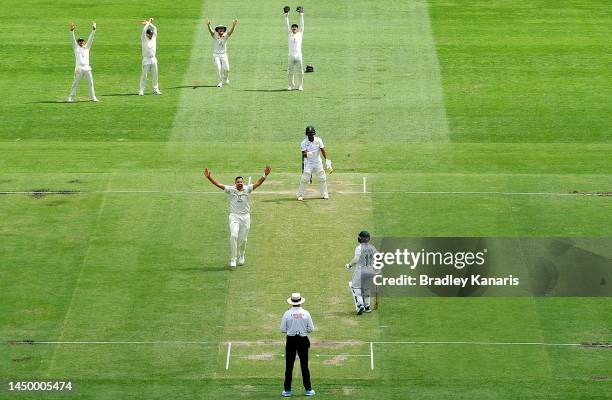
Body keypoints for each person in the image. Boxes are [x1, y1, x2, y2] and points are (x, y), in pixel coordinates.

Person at [204, 165, 271, 268]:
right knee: (234, 235)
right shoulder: (230, 189)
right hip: (234, 216)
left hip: (246, 217)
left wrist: (265, 175)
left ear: (243, 183)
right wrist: (209, 177)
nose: (240, 183)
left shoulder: (248, 189)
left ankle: (242, 254)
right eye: (238, 182)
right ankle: (233, 259)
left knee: (243, 240)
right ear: (235, 183)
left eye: (241, 182)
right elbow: (218, 184)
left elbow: (258, 183)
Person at [280, 293, 315, 397]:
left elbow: (283, 329)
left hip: (291, 340)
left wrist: (291, 329)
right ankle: (308, 389)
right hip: (303, 340)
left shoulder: (287, 313)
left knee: (289, 366)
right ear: (300, 302)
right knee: (304, 365)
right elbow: (311, 329)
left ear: (292, 302)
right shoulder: (306, 313)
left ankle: (287, 390)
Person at [345, 231, 380, 314]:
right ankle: (367, 307)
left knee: (356, 288)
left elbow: (356, 259)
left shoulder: (359, 247)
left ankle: (360, 305)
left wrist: (349, 265)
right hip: (370, 271)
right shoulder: (372, 247)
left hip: (360, 271)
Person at [297, 126, 332, 201]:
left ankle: (324, 194)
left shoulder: (319, 140)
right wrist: (309, 154)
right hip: (309, 162)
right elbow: (303, 154)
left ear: (314, 134)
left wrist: (327, 161)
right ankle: (300, 195)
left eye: (312, 134)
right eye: (309, 135)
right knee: (305, 178)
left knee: (322, 178)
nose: (310, 136)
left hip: (317, 162)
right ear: (307, 135)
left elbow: (323, 150)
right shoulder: (303, 142)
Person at [67, 21, 98, 102]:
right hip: (79, 69)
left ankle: (93, 97)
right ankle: (70, 97)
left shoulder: (87, 47)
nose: (81, 42)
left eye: (82, 41)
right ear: (78, 43)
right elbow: (72, 39)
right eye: (79, 41)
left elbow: (91, 39)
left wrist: (94, 30)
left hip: (87, 68)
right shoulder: (76, 48)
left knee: (91, 83)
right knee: (75, 83)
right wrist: (71, 31)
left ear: (84, 42)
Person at [206, 18, 238, 87]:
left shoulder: (226, 35)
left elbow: (230, 32)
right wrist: (208, 25)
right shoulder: (215, 35)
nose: (221, 29)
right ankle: (219, 82)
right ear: (217, 30)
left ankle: (225, 78)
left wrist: (234, 25)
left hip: (224, 55)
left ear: (224, 30)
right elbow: (211, 31)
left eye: (222, 28)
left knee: (227, 68)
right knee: (218, 69)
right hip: (216, 55)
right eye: (219, 28)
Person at [139, 18, 161, 96]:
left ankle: (156, 89)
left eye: (151, 34)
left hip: (153, 59)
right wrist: (148, 23)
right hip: (146, 59)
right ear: (147, 34)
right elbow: (144, 29)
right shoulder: (144, 39)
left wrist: (149, 22)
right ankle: (141, 90)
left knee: (155, 75)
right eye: (150, 34)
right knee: (144, 75)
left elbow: (155, 28)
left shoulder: (154, 38)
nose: (151, 35)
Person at [284, 8, 305, 90]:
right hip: (291, 56)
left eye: (295, 28)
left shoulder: (300, 34)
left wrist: (301, 15)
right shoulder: (289, 34)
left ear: (297, 28)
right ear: (291, 29)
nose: (294, 29)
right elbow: (286, 26)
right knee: (290, 71)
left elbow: (302, 25)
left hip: (299, 56)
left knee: (300, 71)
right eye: (293, 28)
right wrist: (286, 16)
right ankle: (291, 85)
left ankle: (300, 86)